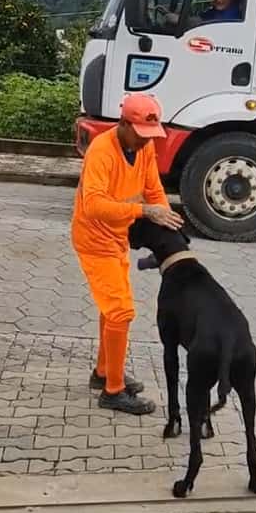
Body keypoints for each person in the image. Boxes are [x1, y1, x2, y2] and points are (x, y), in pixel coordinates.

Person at [71, 93, 184, 415]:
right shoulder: (102, 152)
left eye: (150, 135)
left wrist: (164, 215)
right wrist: (144, 211)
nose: (145, 141)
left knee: (111, 310)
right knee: (121, 311)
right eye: (140, 133)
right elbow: (93, 205)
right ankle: (113, 392)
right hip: (93, 239)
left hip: (117, 236)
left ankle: (104, 373)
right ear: (123, 124)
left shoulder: (143, 147)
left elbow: (153, 189)